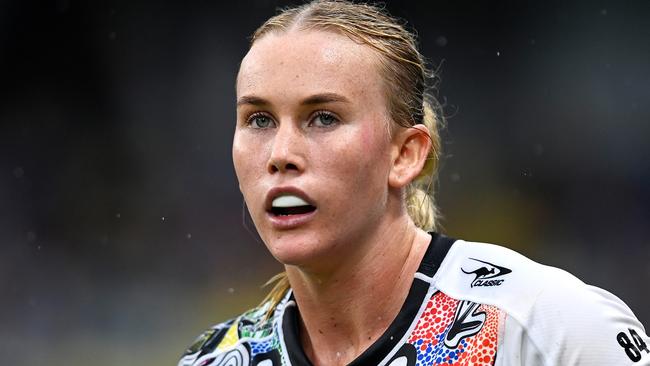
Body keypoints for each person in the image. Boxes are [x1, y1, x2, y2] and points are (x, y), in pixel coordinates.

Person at [178, 1, 649, 365]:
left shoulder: (541, 330)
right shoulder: (217, 358)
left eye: (323, 117)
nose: (281, 155)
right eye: (258, 119)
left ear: (404, 155)